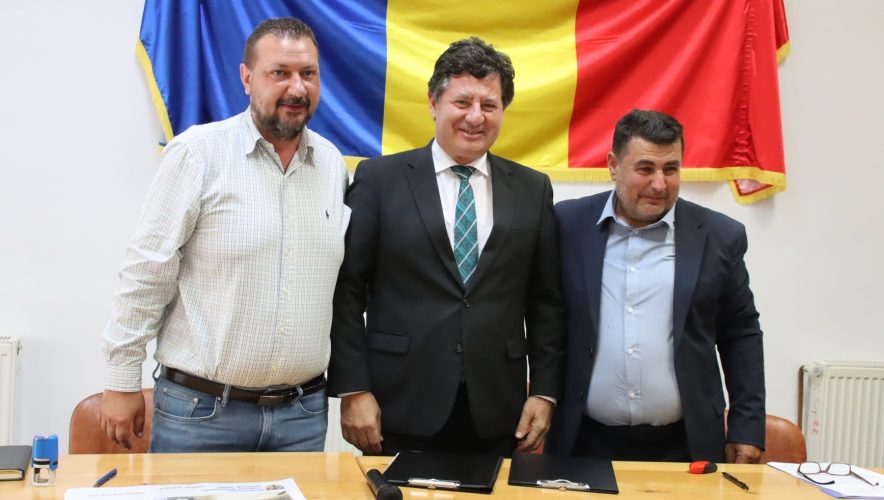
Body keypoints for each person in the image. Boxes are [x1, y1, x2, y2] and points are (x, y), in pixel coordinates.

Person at [100, 17, 350, 452]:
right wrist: (121, 380)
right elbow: (147, 271)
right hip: (201, 414)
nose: (296, 88)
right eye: (280, 73)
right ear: (247, 78)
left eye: (308, 74)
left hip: (302, 417)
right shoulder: (197, 153)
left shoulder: (332, 165)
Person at [328, 37, 565, 457]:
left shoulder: (533, 189)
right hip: (397, 404)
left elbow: (545, 302)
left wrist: (544, 392)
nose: (475, 117)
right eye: (462, 102)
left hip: (498, 409)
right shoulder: (379, 180)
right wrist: (353, 388)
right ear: (433, 102)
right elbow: (346, 292)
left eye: (489, 105)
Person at [546, 109, 765, 463]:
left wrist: (747, 427)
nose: (660, 184)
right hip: (585, 441)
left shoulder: (719, 236)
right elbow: (544, 318)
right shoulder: (567, 224)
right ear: (613, 166)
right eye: (645, 169)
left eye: (671, 169)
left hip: (686, 445)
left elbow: (741, 332)